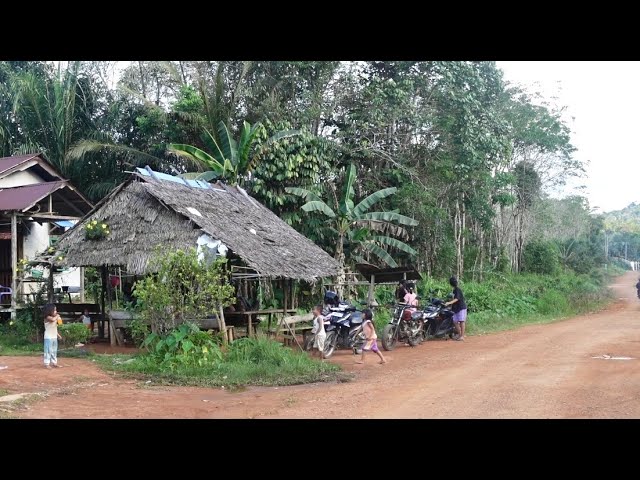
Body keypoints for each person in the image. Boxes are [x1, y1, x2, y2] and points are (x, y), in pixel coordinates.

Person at [445, 276, 467, 341]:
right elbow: (454, 298)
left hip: (461, 307)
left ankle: (462, 336)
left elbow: (457, 299)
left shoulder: (457, 290)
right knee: (455, 321)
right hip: (456, 308)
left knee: (462, 321)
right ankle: (460, 334)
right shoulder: (454, 290)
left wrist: (449, 303)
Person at [43, 303, 63, 369]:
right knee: (48, 351)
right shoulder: (47, 317)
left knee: (54, 351)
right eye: (54, 310)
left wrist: (58, 335)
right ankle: (47, 363)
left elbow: (55, 328)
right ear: (49, 311)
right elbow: (52, 320)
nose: (56, 311)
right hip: (48, 337)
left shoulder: (55, 318)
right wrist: (57, 316)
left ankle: (54, 363)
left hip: (54, 336)